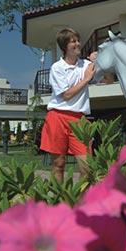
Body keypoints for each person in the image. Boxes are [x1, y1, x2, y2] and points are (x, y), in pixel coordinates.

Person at [40, 28, 96, 182]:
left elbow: (105, 69)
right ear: (64, 46)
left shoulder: (86, 64)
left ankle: (81, 202)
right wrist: (86, 79)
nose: (78, 44)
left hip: (79, 120)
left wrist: (96, 58)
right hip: (57, 117)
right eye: (73, 41)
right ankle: (59, 200)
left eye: (78, 40)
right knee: (58, 164)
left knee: (87, 166)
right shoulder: (57, 68)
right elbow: (67, 95)